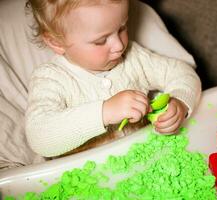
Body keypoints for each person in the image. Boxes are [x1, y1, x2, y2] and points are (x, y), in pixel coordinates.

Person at [25, 0, 201, 157]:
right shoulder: (51, 79)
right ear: (56, 42)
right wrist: (104, 112)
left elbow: (182, 72)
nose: (119, 46)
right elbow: (39, 137)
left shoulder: (134, 57)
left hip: (146, 159)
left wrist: (180, 102)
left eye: (122, 28)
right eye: (101, 41)